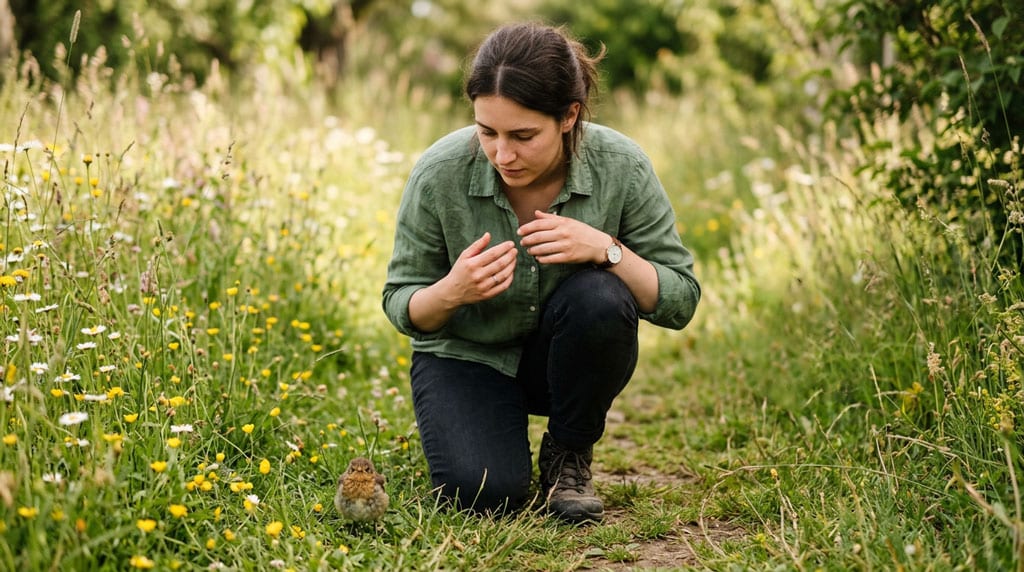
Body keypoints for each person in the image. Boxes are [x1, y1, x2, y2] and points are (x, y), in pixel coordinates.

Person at [382, 22, 700, 523]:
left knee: (601, 296)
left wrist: (607, 249)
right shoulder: (439, 172)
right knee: (485, 497)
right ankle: (487, 435)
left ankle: (568, 454)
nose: (502, 154)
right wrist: (452, 291)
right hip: (467, 357)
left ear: (569, 115)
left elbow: (680, 300)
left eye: (523, 136)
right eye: (487, 132)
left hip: (561, 358)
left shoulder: (623, 167)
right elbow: (401, 304)